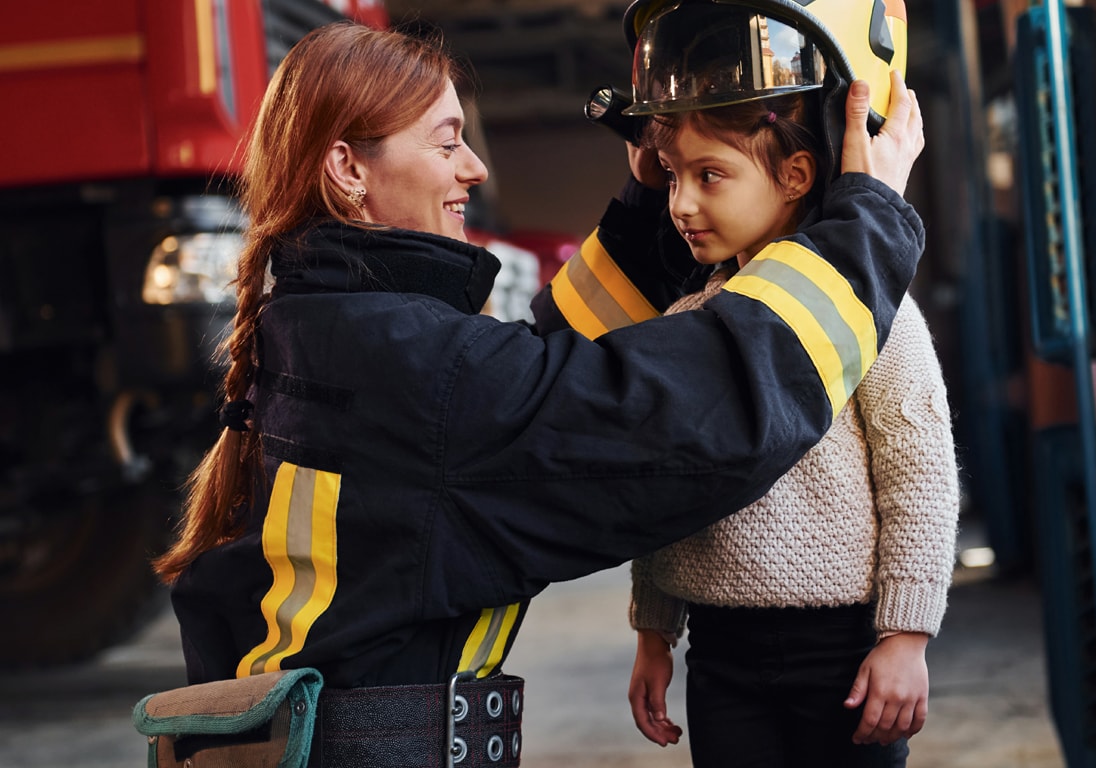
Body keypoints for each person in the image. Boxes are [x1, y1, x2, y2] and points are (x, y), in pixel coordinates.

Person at [150, 16, 925, 768]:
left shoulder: (340, 327)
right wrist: (868, 224)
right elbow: (690, 418)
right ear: (349, 170)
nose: (475, 168)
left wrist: (654, 213)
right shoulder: (405, 362)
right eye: (447, 142)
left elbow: (539, 371)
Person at [615, 3, 959, 767]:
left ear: (795, 174)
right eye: (673, 177)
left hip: (842, 653)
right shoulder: (689, 319)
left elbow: (920, 476)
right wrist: (654, 630)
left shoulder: (871, 312)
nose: (680, 204)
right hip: (720, 652)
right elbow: (673, 491)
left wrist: (905, 638)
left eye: (710, 176)